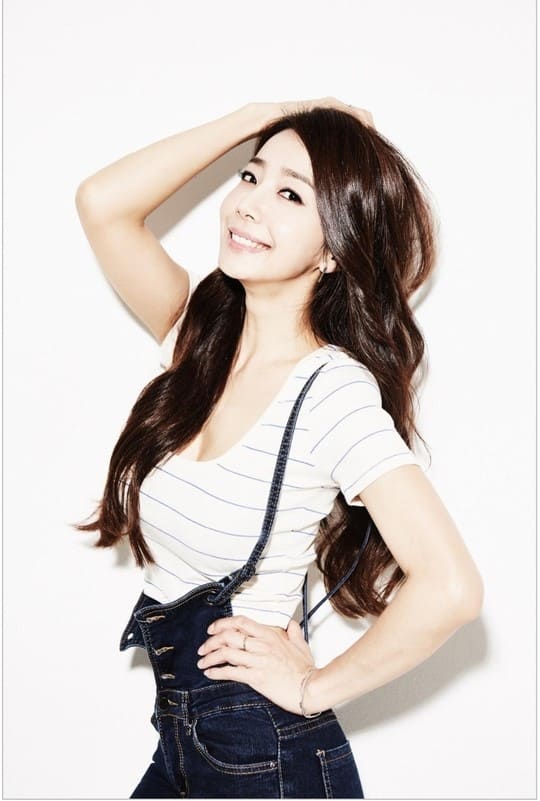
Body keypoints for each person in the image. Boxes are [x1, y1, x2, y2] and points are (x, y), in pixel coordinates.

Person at [74, 97, 484, 799]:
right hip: (182, 740)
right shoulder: (198, 339)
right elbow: (101, 202)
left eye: (291, 194)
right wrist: (263, 114)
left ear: (333, 249)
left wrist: (312, 687)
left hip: (263, 757)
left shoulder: (331, 392)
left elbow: (452, 587)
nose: (249, 204)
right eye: (251, 176)